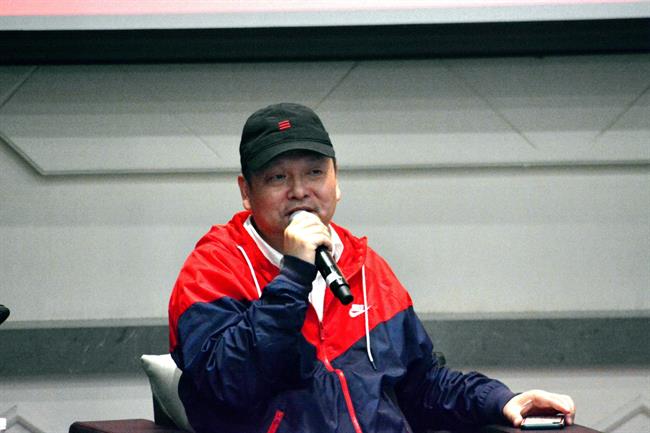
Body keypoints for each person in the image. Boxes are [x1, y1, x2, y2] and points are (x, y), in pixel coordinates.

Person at [168, 103, 575, 433]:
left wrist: (500, 400)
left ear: (337, 180)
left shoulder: (365, 266)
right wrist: (294, 275)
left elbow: (420, 386)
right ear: (246, 192)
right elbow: (229, 385)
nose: (300, 191)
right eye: (278, 177)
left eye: (315, 172)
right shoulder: (213, 269)